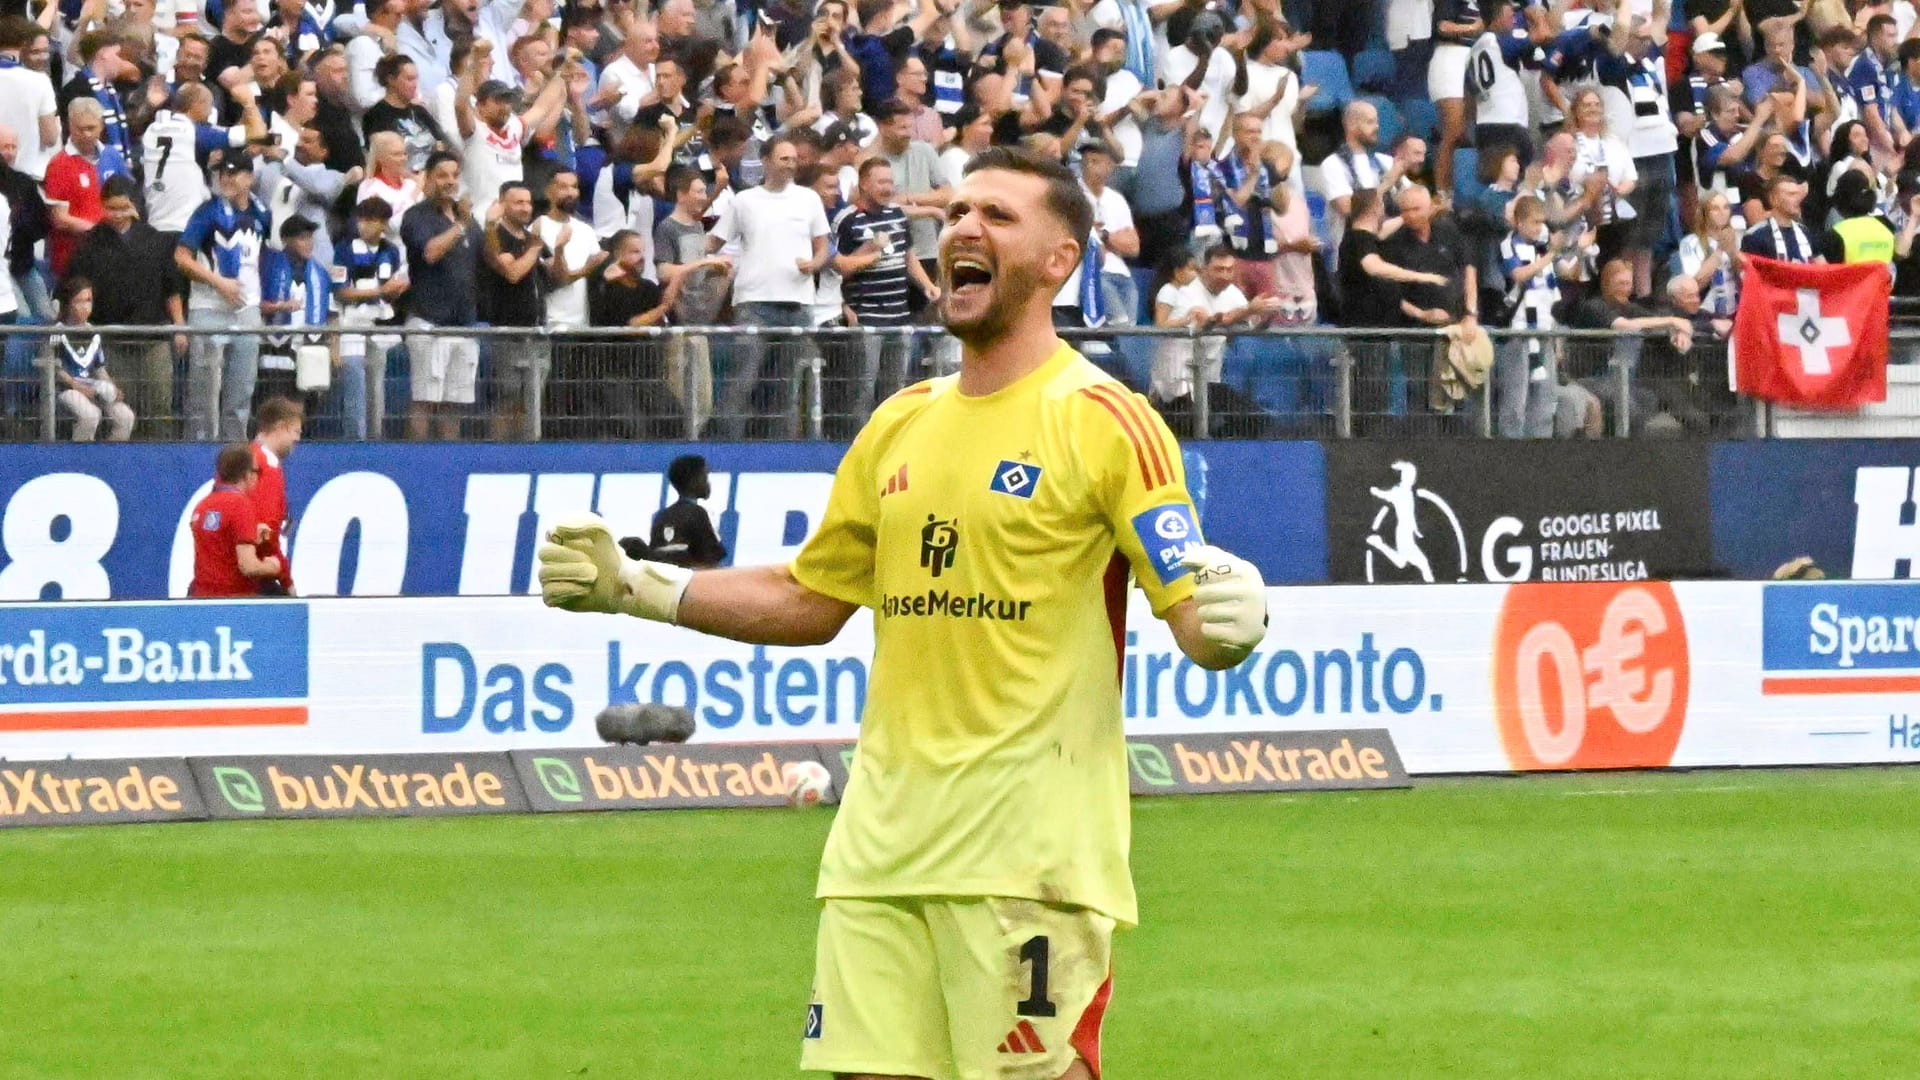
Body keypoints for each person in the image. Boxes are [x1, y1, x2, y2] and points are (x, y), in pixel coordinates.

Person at [535, 146, 1268, 1080]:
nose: (962, 227)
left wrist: (1233, 620)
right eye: (957, 210)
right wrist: (632, 586)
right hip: (878, 854)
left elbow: (1195, 616)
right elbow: (811, 598)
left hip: (1024, 863)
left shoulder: (1104, 419)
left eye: (997, 216)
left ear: (1060, 260)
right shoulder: (900, 421)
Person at [706, 132, 830, 439]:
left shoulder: (809, 198)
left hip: (798, 302)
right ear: (765, 161)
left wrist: (814, 264)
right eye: (784, 159)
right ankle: (726, 446)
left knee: (783, 385)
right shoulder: (744, 200)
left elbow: (822, 246)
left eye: (794, 160)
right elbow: (714, 240)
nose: (790, 165)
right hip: (754, 303)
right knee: (742, 380)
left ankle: (774, 450)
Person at [68, 174, 186, 437]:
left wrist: (179, 326)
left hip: (152, 338)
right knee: (118, 406)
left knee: (158, 407)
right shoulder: (90, 243)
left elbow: (172, 288)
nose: (117, 214)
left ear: (133, 204)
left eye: (123, 207)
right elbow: (73, 289)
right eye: (111, 208)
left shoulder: (155, 239)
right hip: (110, 339)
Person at [833, 157, 939, 424]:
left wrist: (928, 286)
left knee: (895, 390)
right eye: (881, 182)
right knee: (863, 389)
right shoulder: (847, 221)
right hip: (867, 318)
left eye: (890, 182)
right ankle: (856, 443)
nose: (888, 187)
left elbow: (908, 257)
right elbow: (837, 269)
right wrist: (845, 306)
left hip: (899, 316)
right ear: (864, 184)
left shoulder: (898, 216)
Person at [177, 155, 273, 441]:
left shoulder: (261, 212)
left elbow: (260, 255)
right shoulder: (207, 212)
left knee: (242, 390)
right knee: (203, 392)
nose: (227, 180)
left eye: (234, 173)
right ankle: (198, 447)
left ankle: (236, 450)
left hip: (247, 309)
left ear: (250, 177)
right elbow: (181, 257)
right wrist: (218, 282)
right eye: (222, 174)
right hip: (209, 307)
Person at [401, 150, 483, 439]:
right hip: (429, 320)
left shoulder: (470, 222)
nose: (450, 181)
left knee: (454, 402)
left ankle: (450, 462)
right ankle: (418, 461)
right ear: (429, 179)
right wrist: (461, 224)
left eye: (454, 175)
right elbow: (431, 252)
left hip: (463, 323)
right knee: (425, 398)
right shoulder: (416, 216)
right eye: (442, 175)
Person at [654, 165, 729, 433]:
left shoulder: (697, 225)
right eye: (698, 192)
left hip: (700, 321)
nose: (703, 197)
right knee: (682, 394)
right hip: (679, 322)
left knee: (703, 397)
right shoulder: (667, 228)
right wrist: (701, 265)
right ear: (681, 195)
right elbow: (663, 270)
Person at [331, 196, 407, 439]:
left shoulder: (391, 251)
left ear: (384, 224)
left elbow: (391, 289)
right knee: (355, 386)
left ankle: (375, 439)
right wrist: (378, 292)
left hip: (380, 324)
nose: (364, 225)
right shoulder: (344, 249)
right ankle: (355, 439)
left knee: (377, 390)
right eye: (362, 220)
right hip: (352, 325)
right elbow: (341, 291)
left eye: (371, 221)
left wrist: (395, 291)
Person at [478, 180, 547, 439]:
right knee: (506, 399)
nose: (525, 208)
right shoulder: (497, 237)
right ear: (501, 205)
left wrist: (560, 249)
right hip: (507, 332)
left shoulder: (532, 238)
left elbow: (555, 274)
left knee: (530, 402)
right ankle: (500, 453)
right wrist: (535, 250)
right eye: (518, 202)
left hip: (537, 332)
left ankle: (526, 451)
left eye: (528, 202)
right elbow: (512, 273)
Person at [188, 443, 282, 597]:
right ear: (247, 474)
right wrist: (273, 566)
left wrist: (250, 534)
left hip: (202, 597)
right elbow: (248, 566)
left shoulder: (202, 506)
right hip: (235, 600)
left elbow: (218, 546)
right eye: (257, 471)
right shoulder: (240, 505)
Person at [49, 277, 136, 441]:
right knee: (90, 415)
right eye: (78, 301)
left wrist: (112, 387)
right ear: (68, 304)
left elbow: (99, 368)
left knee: (125, 417)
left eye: (88, 301)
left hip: (92, 387)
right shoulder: (56, 332)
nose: (85, 307)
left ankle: (109, 459)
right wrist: (78, 387)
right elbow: (55, 368)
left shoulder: (93, 332)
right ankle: (80, 459)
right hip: (66, 389)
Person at [249, 395, 302, 595]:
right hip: (254, 579)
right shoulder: (268, 466)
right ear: (280, 427)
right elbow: (266, 533)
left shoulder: (243, 457)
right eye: (296, 431)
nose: (297, 439)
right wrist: (287, 581)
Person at [648, 454, 728, 568]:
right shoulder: (697, 513)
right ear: (694, 481)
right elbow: (711, 558)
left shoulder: (661, 517)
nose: (708, 483)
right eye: (705, 476)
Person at [1741, 173, 1820, 262]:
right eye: (1791, 194)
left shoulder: (1805, 232)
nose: (1798, 199)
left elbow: (1823, 270)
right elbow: (1752, 273)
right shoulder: (1755, 236)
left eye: (1798, 195)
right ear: (1773, 199)